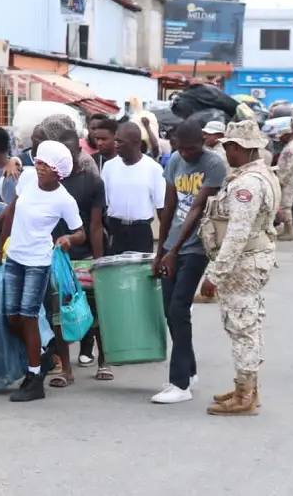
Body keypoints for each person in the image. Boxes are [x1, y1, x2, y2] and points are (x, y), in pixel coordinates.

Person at [199, 121, 281, 416]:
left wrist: (214, 275)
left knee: (242, 326)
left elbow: (237, 233)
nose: (226, 153)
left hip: (243, 263)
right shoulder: (260, 174)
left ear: (238, 148)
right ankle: (247, 387)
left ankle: (245, 395)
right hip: (252, 259)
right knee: (248, 323)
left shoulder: (246, 184)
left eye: (228, 147)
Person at [0, 140, 83, 402]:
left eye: (47, 165)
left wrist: (68, 239)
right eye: (39, 162)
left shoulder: (64, 199)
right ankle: (42, 355)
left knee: (28, 315)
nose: (40, 168)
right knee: (12, 318)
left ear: (59, 172)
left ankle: (34, 381)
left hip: (38, 262)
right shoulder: (28, 178)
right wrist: (0, 248)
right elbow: (11, 211)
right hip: (15, 258)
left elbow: (80, 231)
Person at [151, 120, 228, 404]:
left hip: (196, 246)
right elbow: (169, 206)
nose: (185, 154)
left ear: (203, 143)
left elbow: (197, 209)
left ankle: (179, 384)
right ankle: (189, 370)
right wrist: (161, 252)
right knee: (170, 311)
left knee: (179, 307)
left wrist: (174, 251)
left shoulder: (214, 164)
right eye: (181, 149)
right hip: (172, 245)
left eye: (191, 149)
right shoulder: (174, 161)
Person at [48, 127, 108, 386]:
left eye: (73, 152)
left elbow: (95, 226)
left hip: (84, 256)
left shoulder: (93, 180)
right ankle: (66, 370)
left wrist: (99, 262)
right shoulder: (48, 183)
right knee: (59, 316)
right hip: (56, 258)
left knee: (96, 312)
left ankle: (104, 362)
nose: (68, 158)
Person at [102, 122, 164, 255]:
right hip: (115, 230)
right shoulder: (108, 167)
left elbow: (161, 210)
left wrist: (163, 248)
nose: (116, 145)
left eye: (121, 142)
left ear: (136, 143)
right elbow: (104, 204)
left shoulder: (153, 169)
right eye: (115, 140)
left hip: (140, 232)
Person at [274, 124, 293, 241]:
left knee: (286, 206)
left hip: (288, 181)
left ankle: (289, 231)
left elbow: (288, 167)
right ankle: (286, 229)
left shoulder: (292, 148)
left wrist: (280, 181)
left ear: (288, 135)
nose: (280, 138)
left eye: (282, 136)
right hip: (287, 180)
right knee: (284, 205)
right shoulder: (289, 146)